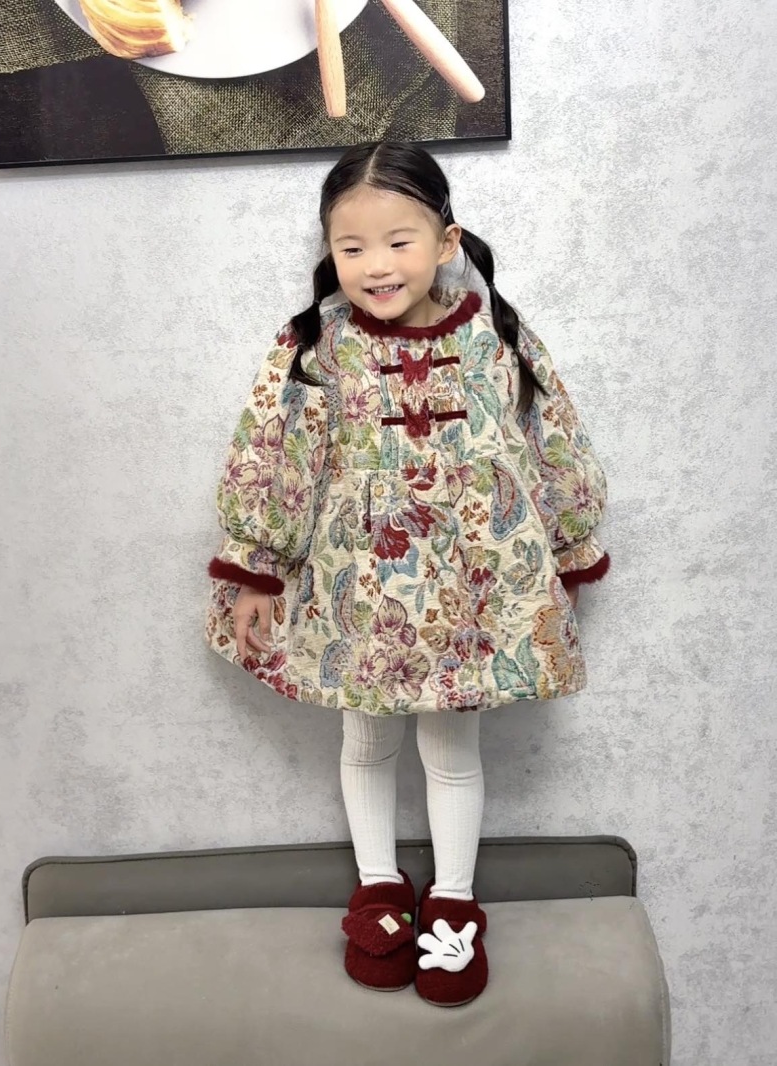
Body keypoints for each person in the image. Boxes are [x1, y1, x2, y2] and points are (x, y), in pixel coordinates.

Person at [206, 141, 610, 1007]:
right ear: (329, 252)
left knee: (452, 747)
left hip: (474, 590)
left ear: (445, 240)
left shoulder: (497, 336)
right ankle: (379, 891)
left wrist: (568, 546)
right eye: (352, 247)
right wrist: (256, 569)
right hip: (359, 591)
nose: (377, 265)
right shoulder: (315, 348)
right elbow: (276, 457)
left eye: (399, 241)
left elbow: (553, 438)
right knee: (366, 740)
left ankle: (455, 904)